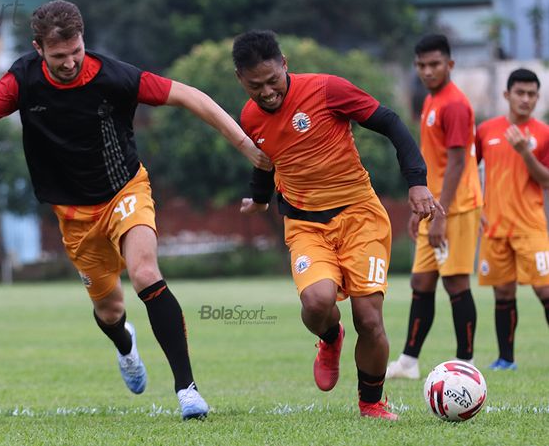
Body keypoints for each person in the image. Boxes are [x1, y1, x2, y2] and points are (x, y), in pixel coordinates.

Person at [0, 0, 271, 420]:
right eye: (58, 56)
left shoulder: (113, 76)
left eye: (76, 51)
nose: (69, 62)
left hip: (125, 190)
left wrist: (246, 147)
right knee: (110, 310)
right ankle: (125, 346)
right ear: (38, 49)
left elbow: (192, 97)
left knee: (144, 272)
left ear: (83, 39)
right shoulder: (22, 80)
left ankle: (187, 390)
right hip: (72, 213)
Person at [233, 30, 440, 420]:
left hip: (360, 216)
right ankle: (330, 338)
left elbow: (392, 123)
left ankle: (371, 402)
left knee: (369, 319)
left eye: (273, 81)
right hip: (305, 225)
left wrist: (417, 183)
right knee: (316, 303)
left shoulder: (328, 90)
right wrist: (259, 197)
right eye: (255, 86)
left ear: (285, 65)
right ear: (240, 80)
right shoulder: (248, 116)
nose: (267, 93)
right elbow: (266, 157)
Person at [387, 34, 483, 380]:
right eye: (422, 65)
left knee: (456, 283)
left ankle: (467, 364)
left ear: (450, 65)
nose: (428, 71)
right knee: (421, 282)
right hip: (435, 206)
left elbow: (457, 164)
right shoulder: (431, 100)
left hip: (455, 208)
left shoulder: (454, 104)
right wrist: (420, 209)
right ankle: (409, 363)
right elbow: (434, 162)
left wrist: (440, 214)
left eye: (435, 64)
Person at [476, 68, 549, 371]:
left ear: (537, 98)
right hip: (494, 226)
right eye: (520, 93)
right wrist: (476, 205)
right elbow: (468, 167)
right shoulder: (486, 130)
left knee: (545, 290)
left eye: (531, 94)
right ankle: (506, 359)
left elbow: (545, 179)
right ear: (507, 95)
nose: (526, 99)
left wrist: (525, 152)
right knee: (503, 293)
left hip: (530, 225)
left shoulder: (544, 133)